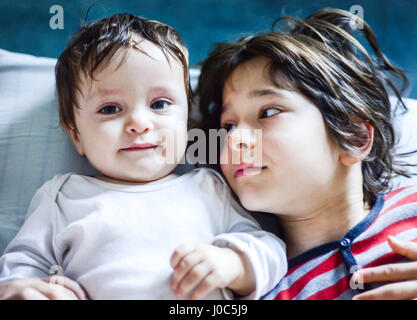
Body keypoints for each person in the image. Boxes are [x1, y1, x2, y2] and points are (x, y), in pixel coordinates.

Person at [0, 13, 287, 300]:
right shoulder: (62, 198)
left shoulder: (209, 188)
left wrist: (233, 265)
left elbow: (270, 250)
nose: (139, 123)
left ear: (187, 122)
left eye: (159, 104)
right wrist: (22, 289)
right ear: (76, 135)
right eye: (110, 109)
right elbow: (23, 265)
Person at [197, 8, 417, 300]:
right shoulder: (263, 289)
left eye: (269, 112)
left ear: (354, 137)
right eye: (228, 125)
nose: (234, 139)